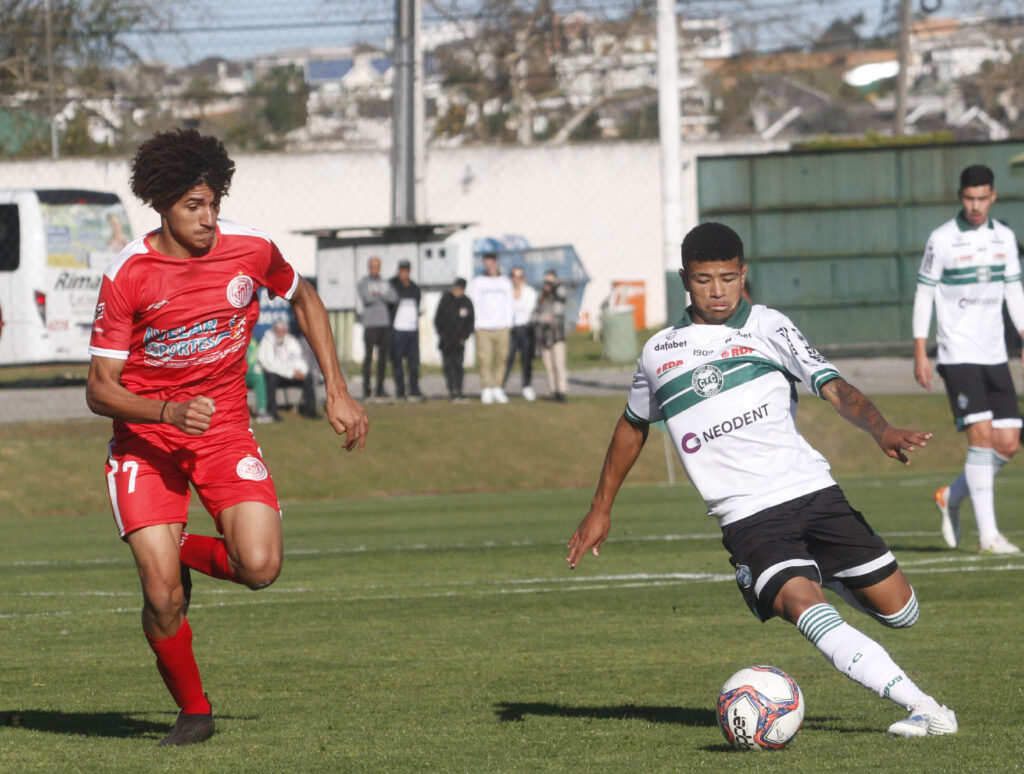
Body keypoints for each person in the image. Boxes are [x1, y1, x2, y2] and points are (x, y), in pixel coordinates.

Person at [567, 222, 957, 738]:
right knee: (802, 604)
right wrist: (601, 506)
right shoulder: (659, 353)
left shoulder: (768, 326)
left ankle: (828, 574)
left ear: (743, 274)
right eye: (704, 279)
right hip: (747, 516)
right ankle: (927, 709)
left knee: (902, 612)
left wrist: (880, 429)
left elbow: (834, 387)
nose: (717, 291)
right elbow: (632, 425)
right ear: (685, 278)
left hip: (813, 493)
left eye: (728, 278)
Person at [85, 127, 368, 747]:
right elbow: (100, 389)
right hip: (146, 443)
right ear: (162, 204)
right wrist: (164, 411)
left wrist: (337, 389)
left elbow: (305, 297)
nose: (210, 218)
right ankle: (194, 711)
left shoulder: (249, 249)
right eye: (194, 206)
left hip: (223, 434)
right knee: (162, 598)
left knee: (261, 566)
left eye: (214, 203)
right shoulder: (128, 274)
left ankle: (179, 545)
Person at [913, 164, 1024, 554]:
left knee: (1008, 443)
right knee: (980, 440)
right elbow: (925, 293)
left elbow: (1014, 292)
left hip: (994, 354)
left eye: (982, 198)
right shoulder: (942, 239)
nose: (976, 206)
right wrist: (920, 349)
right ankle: (990, 536)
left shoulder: (1005, 239)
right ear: (961, 197)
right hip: (957, 354)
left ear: (992, 197)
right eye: (969, 198)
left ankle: (952, 495)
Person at [468, 251, 513, 404]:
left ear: (496, 262)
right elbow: (473, 303)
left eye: (492, 260)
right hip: (483, 327)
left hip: (502, 326)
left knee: (501, 358)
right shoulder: (478, 281)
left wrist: (508, 323)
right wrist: (475, 325)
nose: (489, 263)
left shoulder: (505, 281)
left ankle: (498, 387)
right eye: (487, 261)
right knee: (485, 359)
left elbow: (509, 304)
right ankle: (486, 388)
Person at [258, 319, 319, 420]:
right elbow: (270, 364)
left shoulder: (291, 341)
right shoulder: (267, 341)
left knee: (308, 376)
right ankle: (272, 412)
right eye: (279, 329)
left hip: (291, 375)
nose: (281, 332)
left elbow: (299, 358)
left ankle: (310, 411)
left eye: (283, 329)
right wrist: (291, 373)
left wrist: (301, 371)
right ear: (274, 329)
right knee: (271, 378)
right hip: (277, 375)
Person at [356, 256, 398, 401]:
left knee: (383, 358)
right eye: (373, 266)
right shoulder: (363, 282)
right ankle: (366, 389)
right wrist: (382, 296)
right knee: (368, 357)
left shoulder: (385, 282)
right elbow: (367, 298)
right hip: (370, 324)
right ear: (369, 267)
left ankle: (380, 388)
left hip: (384, 324)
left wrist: (378, 294)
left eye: (377, 266)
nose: (375, 269)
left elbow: (394, 298)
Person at [434, 277, 475, 401]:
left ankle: (459, 390)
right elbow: (437, 319)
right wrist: (442, 334)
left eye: (460, 289)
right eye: (456, 288)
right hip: (446, 340)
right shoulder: (445, 300)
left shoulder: (467, 302)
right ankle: (451, 390)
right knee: (448, 366)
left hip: (459, 341)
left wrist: (465, 336)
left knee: (458, 366)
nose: (457, 291)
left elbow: (471, 321)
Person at [531, 270, 569, 402]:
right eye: (545, 282)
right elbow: (534, 316)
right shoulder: (541, 297)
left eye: (550, 282)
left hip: (557, 336)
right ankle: (553, 390)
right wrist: (543, 318)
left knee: (559, 364)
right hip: (544, 337)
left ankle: (562, 391)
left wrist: (554, 286)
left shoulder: (558, 295)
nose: (547, 285)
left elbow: (559, 310)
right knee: (549, 366)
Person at [389, 259, 423, 401]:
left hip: (412, 329)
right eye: (402, 270)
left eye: (406, 270)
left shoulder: (414, 287)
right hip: (398, 329)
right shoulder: (392, 285)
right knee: (397, 361)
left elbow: (418, 303)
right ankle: (400, 390)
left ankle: (414, 390)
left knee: (413, 362)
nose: (404, 273)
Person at [502, 266, 538, 401]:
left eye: (519, 275)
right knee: (508, 358)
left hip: (525, 328)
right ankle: (501, 386)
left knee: (526, 359)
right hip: (511, 329)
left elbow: (532, 309)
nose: (516, 278)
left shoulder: (529, 292)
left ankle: (526, 386)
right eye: (513, 275)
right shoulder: (507, 292)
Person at [245, 337, 273, 424]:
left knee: (259, 376)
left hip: (251, 371)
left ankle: (261, 410)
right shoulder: (236, 340)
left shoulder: (254, 343)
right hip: (238, 372)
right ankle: (244, 414)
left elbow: (258, 358)